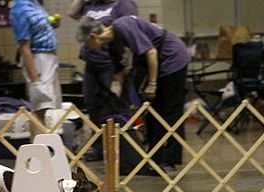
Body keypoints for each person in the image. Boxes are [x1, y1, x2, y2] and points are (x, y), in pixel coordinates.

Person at [77, 15, 190, 173]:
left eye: (86, 43)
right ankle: (155, 158)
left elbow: (151, 52)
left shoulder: (123, 26)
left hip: (172, 57)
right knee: (152, 112)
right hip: (154, 63)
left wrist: (152, 84)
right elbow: (119, 72)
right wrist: (119, 95)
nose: (87, 47)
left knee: (170, 110)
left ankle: (170, 160)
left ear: (93, 37)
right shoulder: (111, 44)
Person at [67, 0, 138, 160]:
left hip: (111, 64)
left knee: (116, 106)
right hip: (91, 64)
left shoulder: (124, 5)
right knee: (92, 104)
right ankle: (99, 147)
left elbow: (129, 32)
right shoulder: (91, 4)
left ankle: (122, 148)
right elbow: (71, 13)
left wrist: (123, 69)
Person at [10, 0, 62, 142]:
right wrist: (35, 79)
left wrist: (53, 23)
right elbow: (24, 46)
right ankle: (37, 154)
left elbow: (40, 28)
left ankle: (40, 152)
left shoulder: (35, 4)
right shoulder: (20, 9)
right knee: (39, 107)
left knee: (44, 109)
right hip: (38, 59)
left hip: (49, 58)